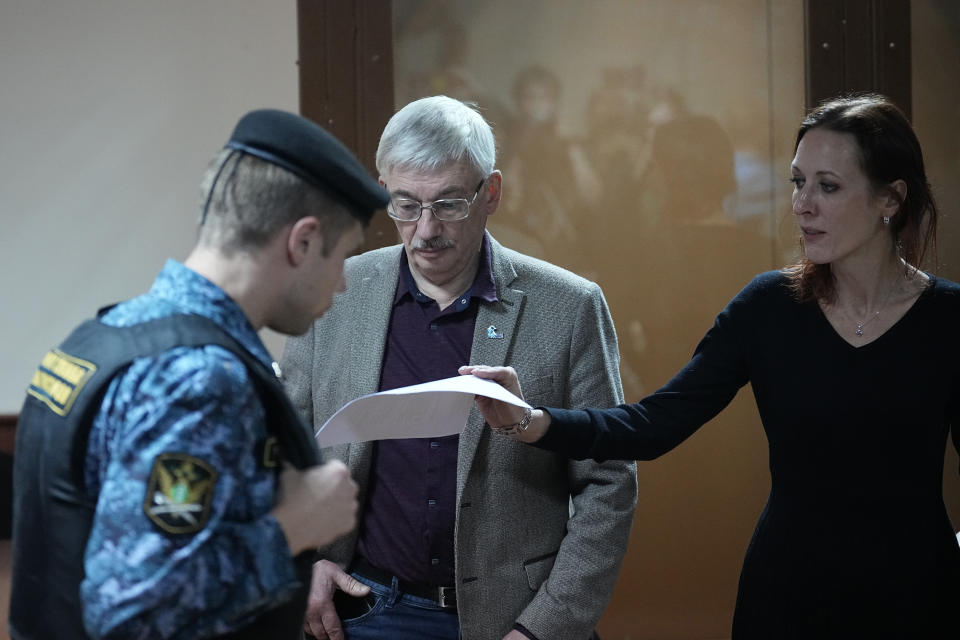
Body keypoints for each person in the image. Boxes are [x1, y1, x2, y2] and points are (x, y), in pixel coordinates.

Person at [462, 93, 960, 638]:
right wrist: (529, 419)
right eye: (797, 182)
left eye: (828, 186)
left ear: (891, 198)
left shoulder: (948, 319)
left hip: (917, 596)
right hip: (789, 597)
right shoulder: (771, 307)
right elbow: (653, 424)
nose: (802, 204)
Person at [10, 109, 390, 640]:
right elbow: (136, 617)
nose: (343, 285)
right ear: (302, 243)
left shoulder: (103, 336)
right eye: (343, 256)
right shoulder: (197, 377)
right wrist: (290, 529)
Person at [280, 95, 637, 640]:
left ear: (490, 192)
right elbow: (284, 450)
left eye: (448, 204)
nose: (425, 230)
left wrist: (545, 628)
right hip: (364, 609)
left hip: (513, 619)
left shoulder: (569, 307)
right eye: (404, 205)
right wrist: (300, 562)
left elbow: (608, 483)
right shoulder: (338, 291)